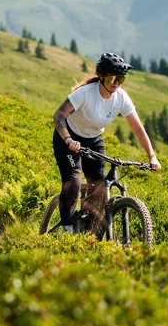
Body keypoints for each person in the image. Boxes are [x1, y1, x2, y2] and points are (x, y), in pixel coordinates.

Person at [52, 52, 161, 232]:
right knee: (74, 181)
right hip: (68, 137)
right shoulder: (85, 93)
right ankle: (67, 228)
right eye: (113, 78)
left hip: (93, 139)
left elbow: (138, 129)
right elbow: (59, 115)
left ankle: (86, 230)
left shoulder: (121, 98)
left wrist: (152, 156)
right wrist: (68, 139)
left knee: (99, 187)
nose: (117, 83)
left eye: (121, 79)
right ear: (101, 76)